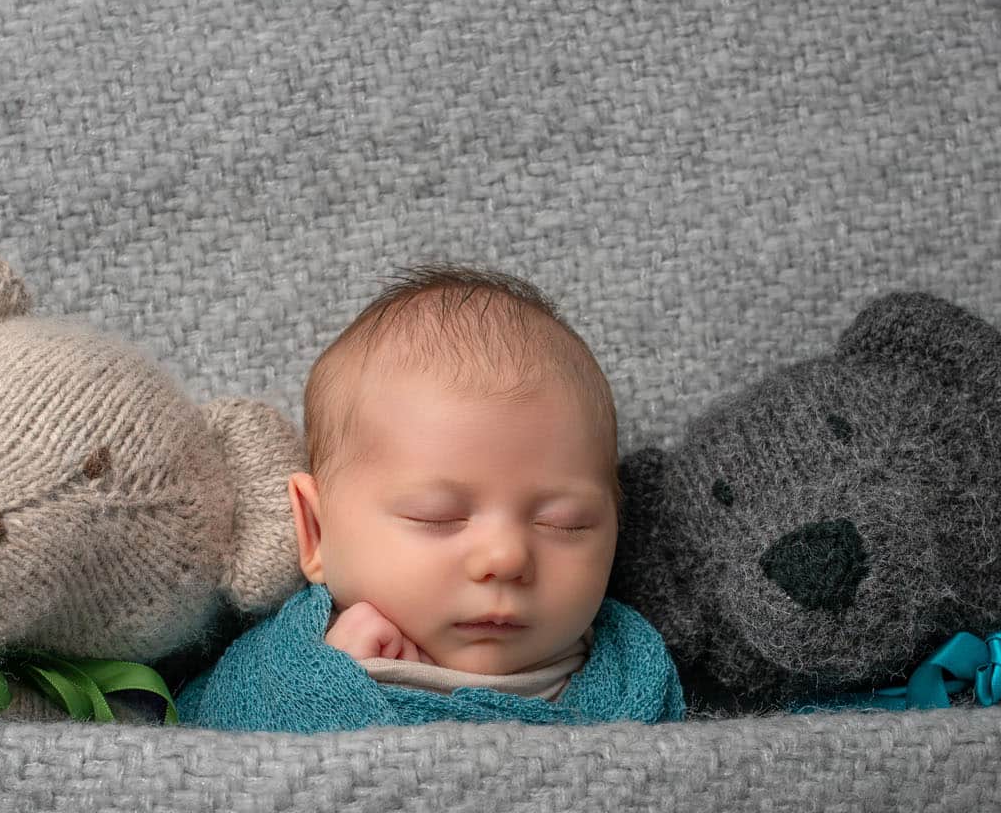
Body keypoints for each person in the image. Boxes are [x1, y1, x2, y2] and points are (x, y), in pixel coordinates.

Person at [177, 265, 683, 731]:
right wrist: (324, 687)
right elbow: (211, 743)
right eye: (436, 516)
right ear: (316, 530)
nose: (505, 558)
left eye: (563, 523)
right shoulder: (292, 666)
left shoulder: (631, 671)